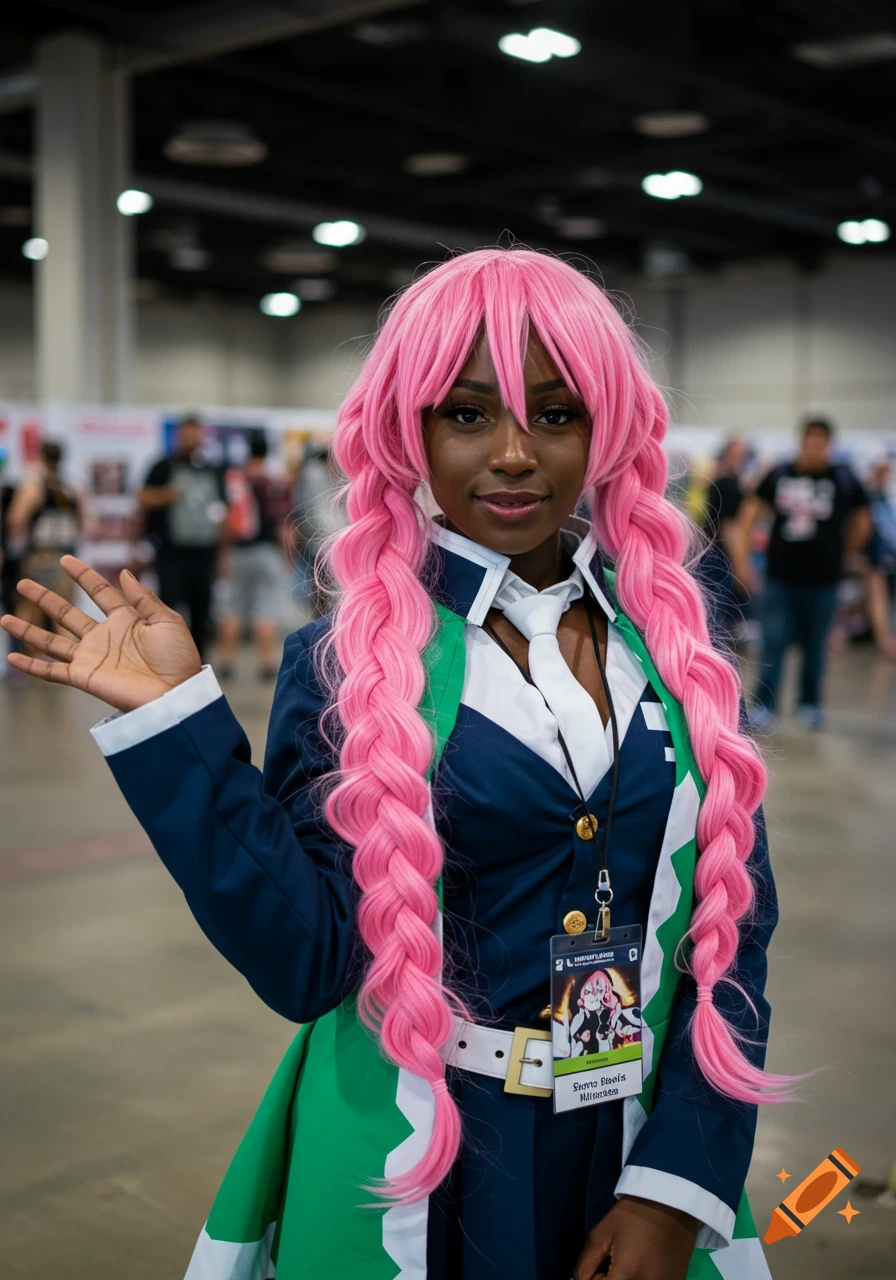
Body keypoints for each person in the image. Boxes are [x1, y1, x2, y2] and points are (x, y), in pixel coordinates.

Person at [2, 249, 792, 1280]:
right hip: (420, 1162)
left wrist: (674, 1185)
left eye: (554, 415)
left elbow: (735, 937)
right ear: (408, 429)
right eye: (466, 415)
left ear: (605, 431)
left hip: (633, 1141)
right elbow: (310, 959)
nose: (512, 454)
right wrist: (176, 726)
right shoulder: (344, 664)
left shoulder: (677, 653)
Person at [734, 418, 871, 730]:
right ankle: (765, 705)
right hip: (780, 578)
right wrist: (743, 561)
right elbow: (748, 516)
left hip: (824, 581)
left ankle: (810, 704)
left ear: (829, 444)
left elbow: (863, 520)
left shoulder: (843, 478)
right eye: (811, 440)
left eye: (822, 442)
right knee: (773, 642)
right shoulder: (780, 474)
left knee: (816, 645)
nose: (815, 447)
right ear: (802, 441)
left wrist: (846, 552)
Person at [139, 416, 226, 661]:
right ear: (178, 436)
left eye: (196, 434)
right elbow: (142, 498)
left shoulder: (210, 469)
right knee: (167, 608)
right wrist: (166, 495)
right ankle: (165, 658)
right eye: (187, 434)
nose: (192, 439)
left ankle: (198, 661)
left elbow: (222, 513)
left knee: (202, 610)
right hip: (171, 553)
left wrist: (223, 555)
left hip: (204, 553)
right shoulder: (163, 466)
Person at [216, 431, 295, 681]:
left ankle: (227, 663)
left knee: (233, 607)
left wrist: (224, 552)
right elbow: (285, 524)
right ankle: (266, 664)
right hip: (268, 552)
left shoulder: (237, 480)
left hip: (240, 551)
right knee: (266, 608)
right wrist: (286, 555)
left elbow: (228, 520)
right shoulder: (274, 481)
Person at [6, 441, 81, 641]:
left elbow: (15, 520)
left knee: (31, 610)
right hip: (66, 557)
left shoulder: (33, 488)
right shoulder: (71, 488)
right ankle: (70, 663)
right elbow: (86, 524)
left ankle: (29, 663)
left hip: (40, 555)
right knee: (65, 613)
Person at [699, 437, 749, 643]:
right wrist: (741, 564)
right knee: (716, 612)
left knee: (715, 610)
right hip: (721, 555)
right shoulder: (727, 484)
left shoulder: (723, 482)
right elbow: (728, 527)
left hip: (714, 553)